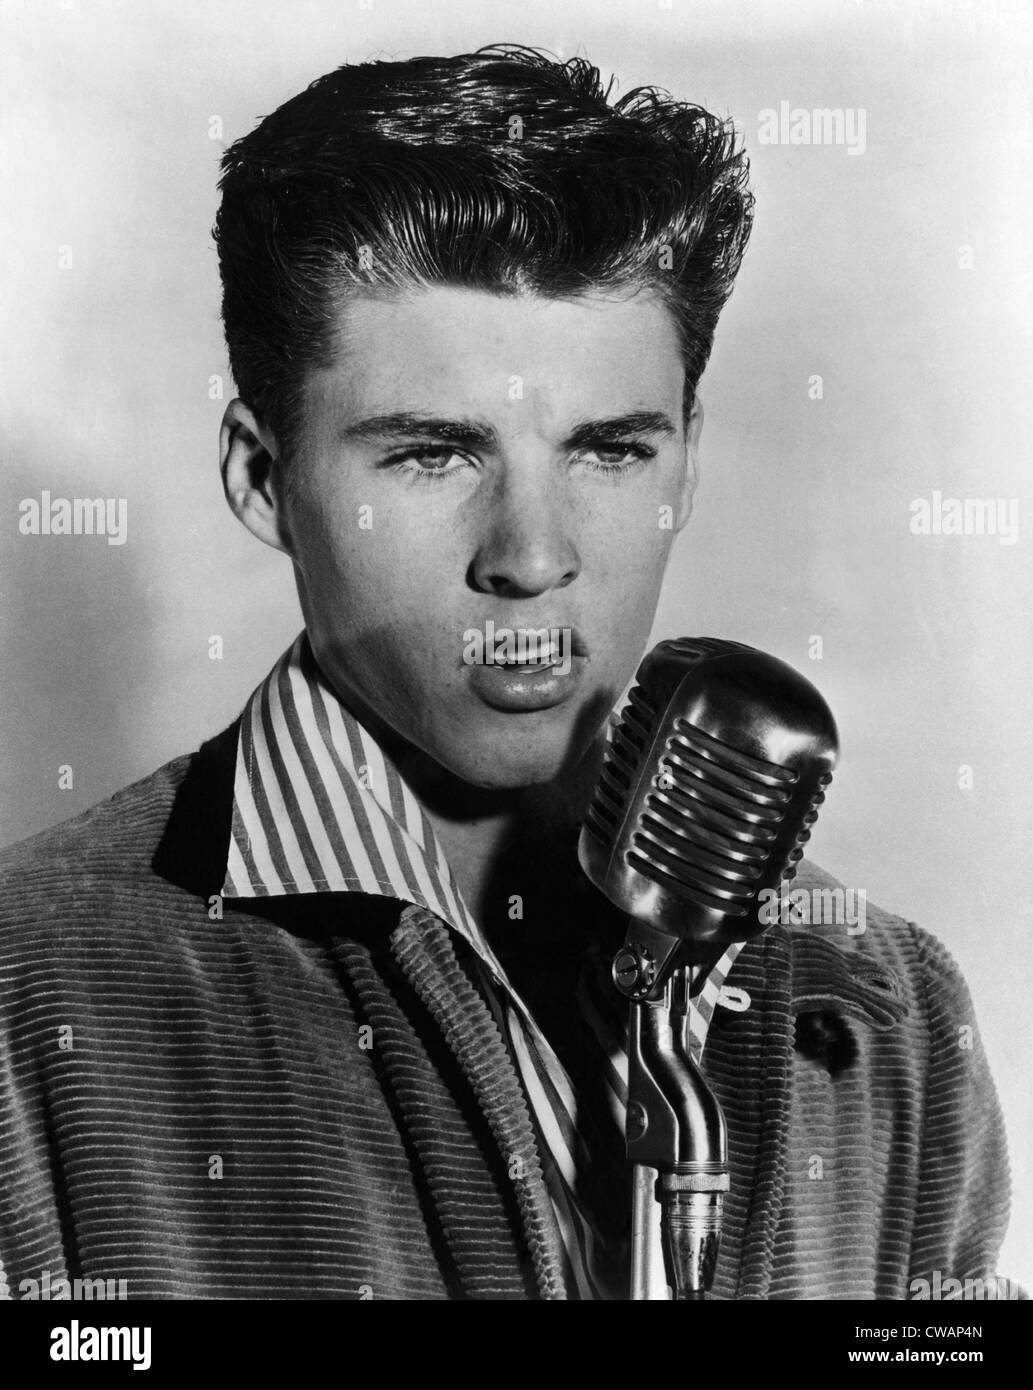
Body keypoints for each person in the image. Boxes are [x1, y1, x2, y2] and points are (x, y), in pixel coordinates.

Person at [0, 44, 1018, 1301]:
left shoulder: (885, 1013)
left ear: (687, 458)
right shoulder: (24, 996)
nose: (532, 559)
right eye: (431, 456)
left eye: (608, 451)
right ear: (263, 479)